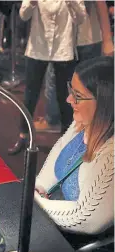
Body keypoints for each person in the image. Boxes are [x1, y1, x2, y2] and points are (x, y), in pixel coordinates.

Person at [34, 56, 114, 236]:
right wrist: (38, 187)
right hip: (53, 221)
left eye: (77, 96)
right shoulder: (82, 123)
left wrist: (36, 203)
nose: (69, 100)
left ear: (104, 103)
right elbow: (55, 161)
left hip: (78, 250)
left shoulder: (111, 155)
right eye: (71, 90)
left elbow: (85, 218)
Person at [8, 0, 87, 155]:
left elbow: (81, 18)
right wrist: (31, 3)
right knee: (30, 96)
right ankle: (23, 136)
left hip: (63, 49)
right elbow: (23, 15)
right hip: (37, 48)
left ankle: (67, 140)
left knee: (65, 98)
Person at [35, 0, 114, 133]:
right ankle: (55, 120)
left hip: (86, 38)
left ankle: (87, 127)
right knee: (56, 81)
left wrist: (107, 40)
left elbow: (100, 3)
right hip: (62, 39)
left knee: (87, 87)